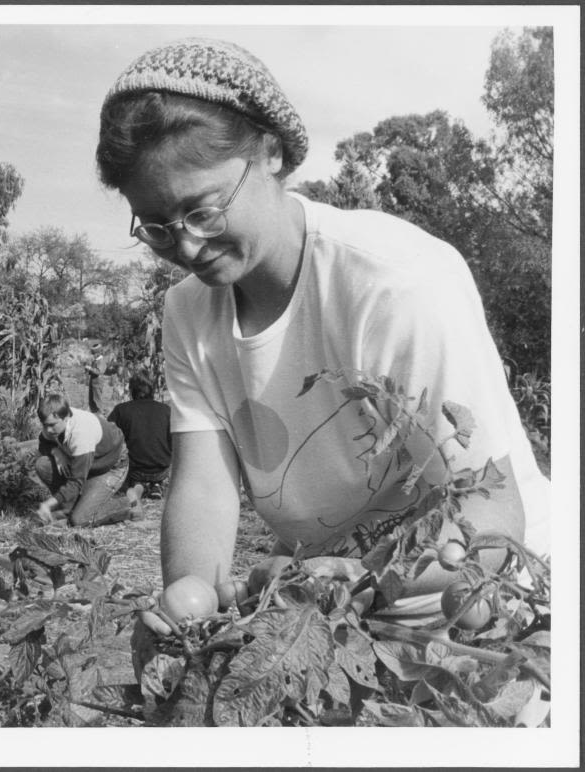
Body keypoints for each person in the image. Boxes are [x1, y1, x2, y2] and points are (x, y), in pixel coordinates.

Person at [95, 38, 549, 619]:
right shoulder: (188, 311)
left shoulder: (392, 284)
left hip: (482, 606)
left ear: (271, 153)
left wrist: (357, 580)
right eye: (156, 227)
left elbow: (490, 512)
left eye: (203, 210)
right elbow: (205, 488)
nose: (186, 245)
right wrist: (192, 615)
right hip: (329, 612)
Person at [34, 392, 135, 528]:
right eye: (45, 425)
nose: (48, 430)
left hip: (111, 467)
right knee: (43, 465)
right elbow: (43, 443)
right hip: (90, 463)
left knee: (80, 520)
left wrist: (48, 504)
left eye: (52, 425)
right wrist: (57, 452)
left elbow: (76, 482)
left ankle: (127, 503)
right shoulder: (53, 423)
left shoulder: (81, 433)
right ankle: (69, 507)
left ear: (66, 417)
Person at [107, 372, 172, 504]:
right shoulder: (166, 410)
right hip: (161, 469)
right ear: (152, 390)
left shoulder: (121, 410)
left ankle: (137, 485)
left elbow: (108, 436)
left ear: (131, 391)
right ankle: (156, 485)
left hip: (134, 470)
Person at [84, 341, 111, 414]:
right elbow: (93, 371)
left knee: (97, 399)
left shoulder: (101, 361)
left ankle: (100, 413)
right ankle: (93, 413)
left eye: (94, 353)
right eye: (93, 354)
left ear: (99, 352)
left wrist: (90, 368)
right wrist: (88, 370)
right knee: (92, 399)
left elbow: (99, 371)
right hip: (93, 382)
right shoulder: (95, 361)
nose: (93, 355)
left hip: (98, 383)